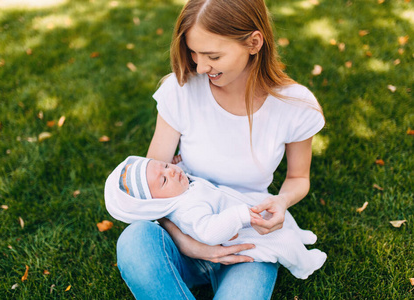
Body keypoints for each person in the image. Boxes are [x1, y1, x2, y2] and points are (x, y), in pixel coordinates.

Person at [115, 0, 326, 299]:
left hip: (248, 245)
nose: (200, 67)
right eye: (194, 53)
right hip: (181, 236)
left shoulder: (295, 106)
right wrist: (190, 244)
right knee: (134, 239)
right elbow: (151, 193)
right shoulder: (182, 90)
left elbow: (298, 179)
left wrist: (281, 202)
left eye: (213, 55)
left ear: (254, 42)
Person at [105, 156, 327, 280]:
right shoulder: (185, 209)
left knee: (277, 209)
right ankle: (304, 265)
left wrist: (177, 162)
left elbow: (176, 172)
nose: (171, 172)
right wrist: (239, 215)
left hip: (248, 207)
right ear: (156, 203)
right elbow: (209, 232)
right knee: (283, 243)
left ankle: (300, 234)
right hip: (245, 239)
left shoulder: (181, 186)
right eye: (163, 180)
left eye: (164, 166)